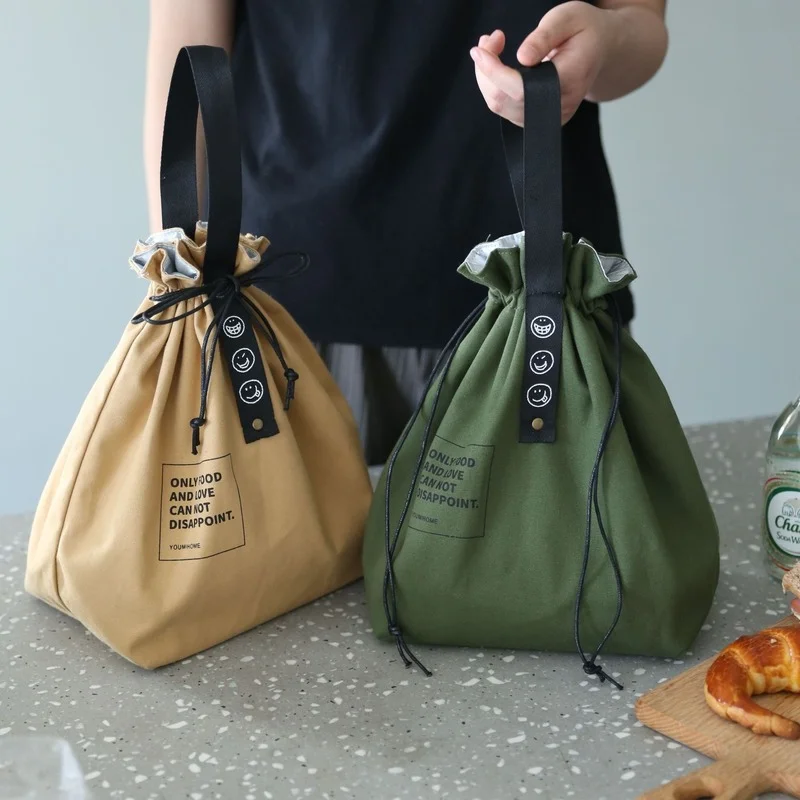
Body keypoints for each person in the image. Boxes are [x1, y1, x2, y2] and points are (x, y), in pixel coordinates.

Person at [145, 1, 668, 465]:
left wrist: (604, 40)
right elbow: (187, 57)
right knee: (283, 545)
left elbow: (641, 22)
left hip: (541, 301)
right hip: (282, 306)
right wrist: (178, 284)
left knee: (562, 542)